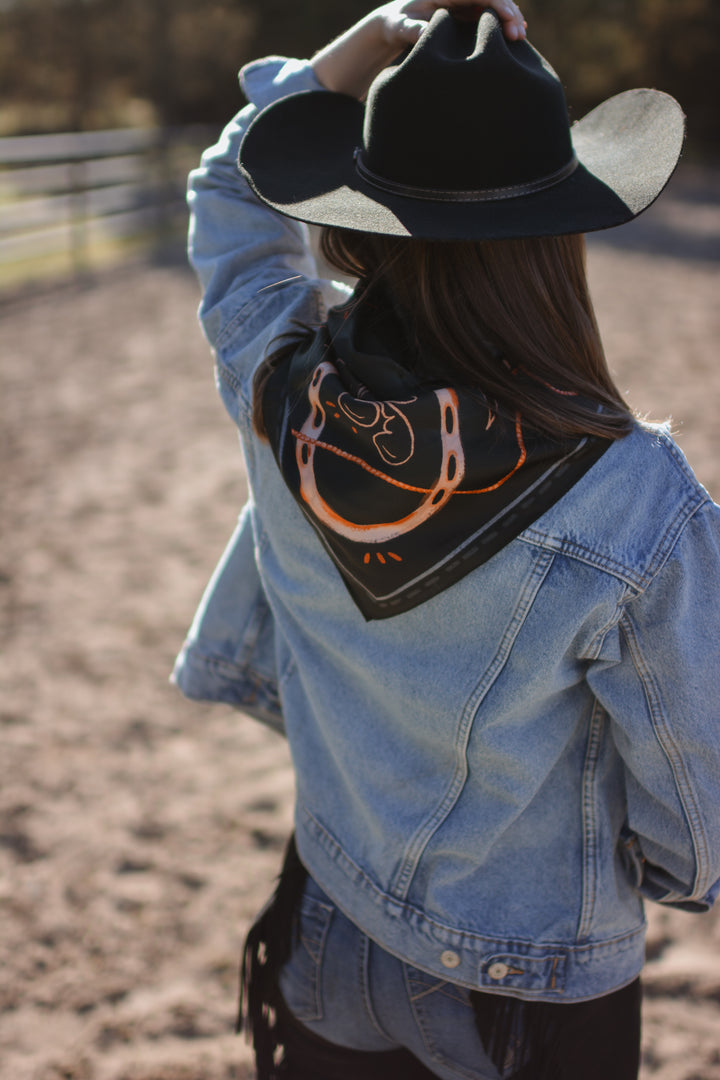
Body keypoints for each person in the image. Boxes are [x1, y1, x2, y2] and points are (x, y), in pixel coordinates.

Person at [174, 3, 720, 1078]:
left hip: (325, 918)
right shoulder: (635, 499)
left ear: (355, 218)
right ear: (559, 235)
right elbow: (695, 802)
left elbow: (229, 186)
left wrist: (362, 46)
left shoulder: (284, 380)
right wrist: (665, 877)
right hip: (532, 980)